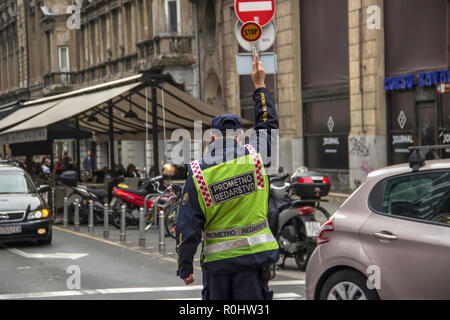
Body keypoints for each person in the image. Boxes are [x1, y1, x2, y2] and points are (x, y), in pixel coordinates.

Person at [175, 52, 280, 300]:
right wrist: (260, 85)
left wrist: (185, 266)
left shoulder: (199, 172)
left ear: (211, 138)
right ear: (240, 137)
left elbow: (187, 225)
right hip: (254, 263)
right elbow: (268, 124)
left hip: (218, 268)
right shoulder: (256, 159)